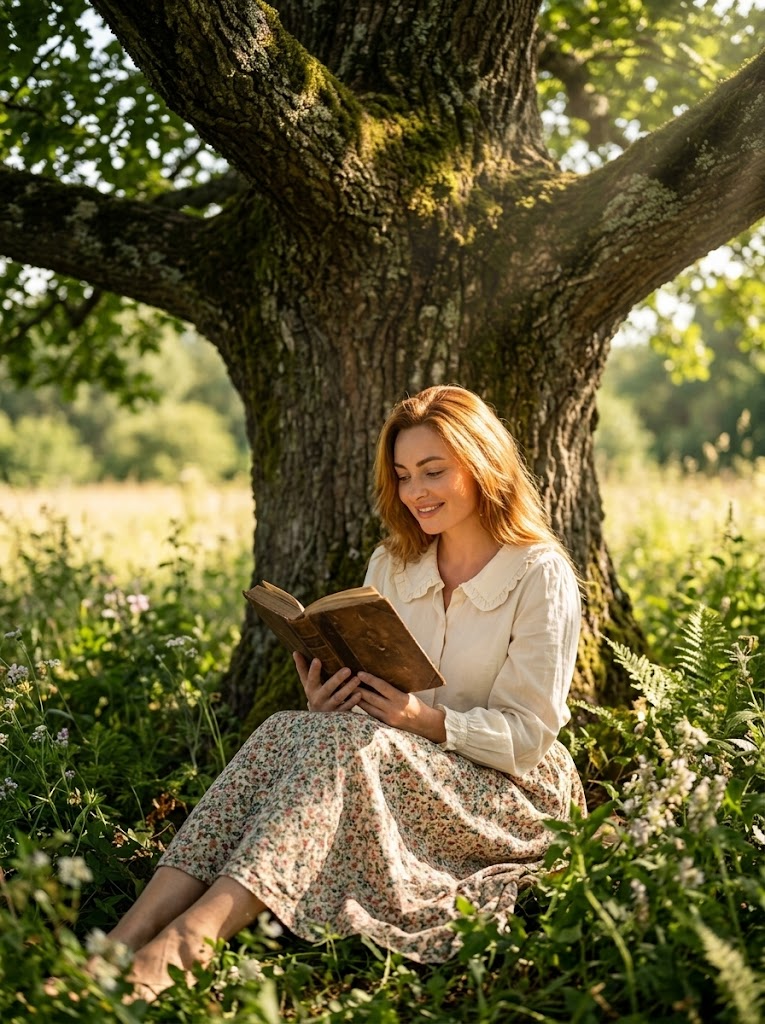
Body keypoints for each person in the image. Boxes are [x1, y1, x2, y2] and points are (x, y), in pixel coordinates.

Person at [101, 384, 586, 1002]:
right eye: (405, 475)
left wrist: (420, 718)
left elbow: (528, 735)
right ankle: (124, 939)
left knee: (348, 743)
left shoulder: (538, 572)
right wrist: (334, 697)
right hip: (391, 752)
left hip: (508, 787)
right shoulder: (394, 563)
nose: (416, 493)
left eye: (434, 471)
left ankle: (191, 940)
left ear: (483, 464)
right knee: (286, 728)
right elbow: (372, 687)